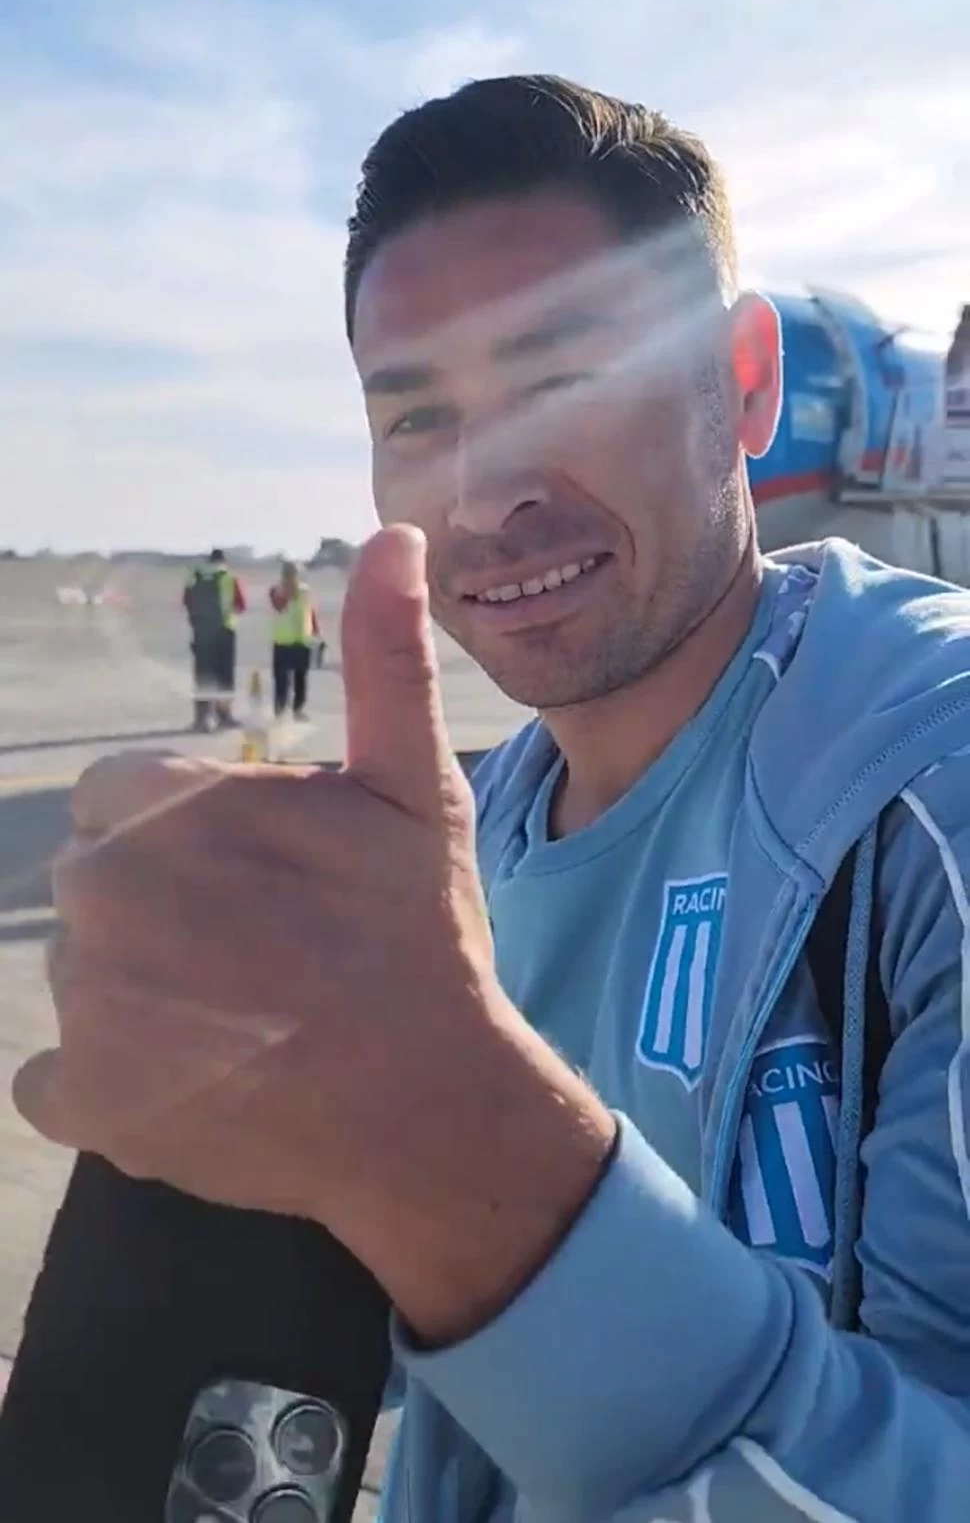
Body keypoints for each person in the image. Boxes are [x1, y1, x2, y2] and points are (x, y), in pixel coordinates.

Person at [15, 75, 970, 1522]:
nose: (480, 492)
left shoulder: (929, 793)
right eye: (415, 417)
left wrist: (459, 1163)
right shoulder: (453, 842)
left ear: (747, 377)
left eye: (564, 379)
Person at [182, 548, 246, 732]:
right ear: (223, 561)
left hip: (201, 632)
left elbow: (186, 600)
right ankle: (224, 716)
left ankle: (201, 718)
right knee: (224, 676)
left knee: (203, 674)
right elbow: (241, 605)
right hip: (224, 632)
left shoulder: (195, 576)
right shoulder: (229, 577)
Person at [268, 560, 320, 720]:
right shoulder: (277, 592)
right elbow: (280, 606)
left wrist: (316, 631)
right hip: (291, 640)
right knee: (291, 679)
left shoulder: (303, 591)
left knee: (293, 679)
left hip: (293, 640)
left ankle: (288, 709)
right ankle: (286, 709)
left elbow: (310, 612)